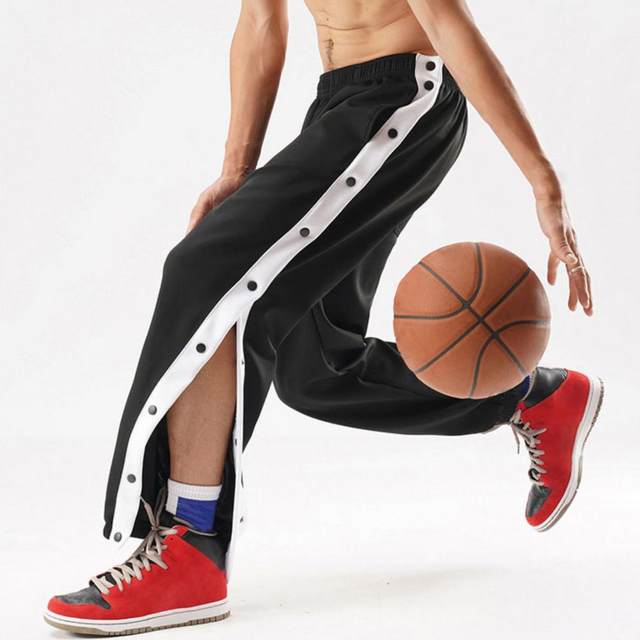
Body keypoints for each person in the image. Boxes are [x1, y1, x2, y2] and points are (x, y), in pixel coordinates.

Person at [44, 0, 602, 635]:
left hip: (403, 99)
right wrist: (237, 170)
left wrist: (543, 181)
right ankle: (535, 399)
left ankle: (191, 547)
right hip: (339, 103)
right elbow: (261, 21)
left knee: (204, 270)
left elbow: (448, 22)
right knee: (314, 366)